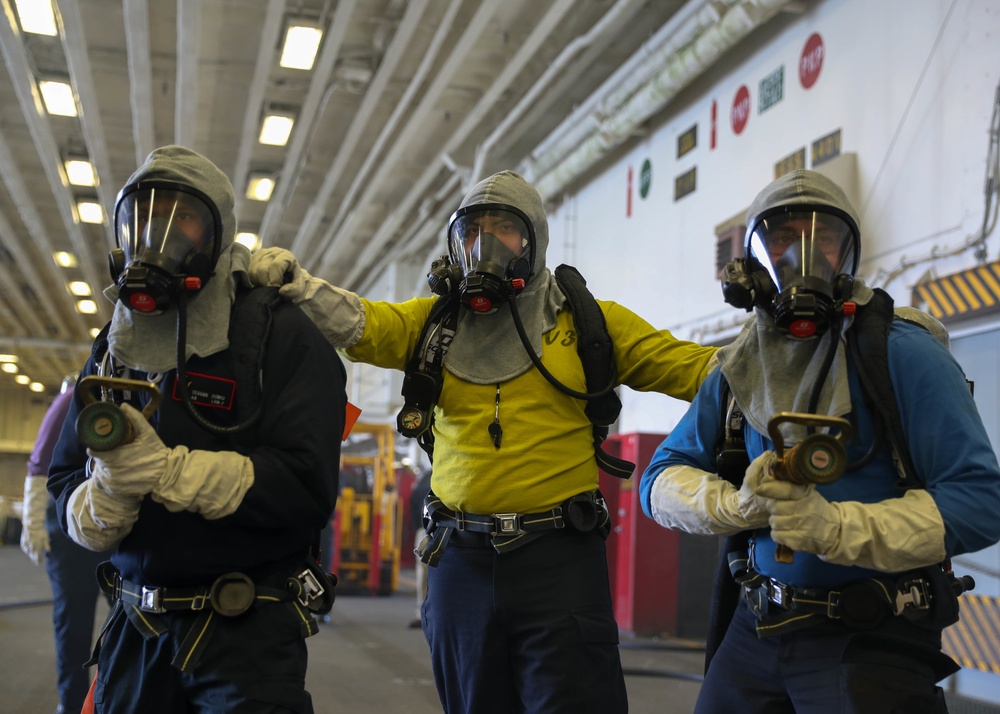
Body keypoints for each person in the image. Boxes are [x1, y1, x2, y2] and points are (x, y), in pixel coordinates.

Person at [249, 169, 718, 713]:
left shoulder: (591, 324)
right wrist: (298, 285)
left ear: (534, 243)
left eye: (504, 232)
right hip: (460, 563)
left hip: (559, 563)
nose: (485, 246)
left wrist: (775, 358)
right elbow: (362, 324)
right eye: (472, 232)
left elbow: (699, 371)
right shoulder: (432, 324)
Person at [639, 169, 1000, 713]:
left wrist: (837, 529)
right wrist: (736, 506)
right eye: (781, 239)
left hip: (869, 634)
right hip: (755, 626)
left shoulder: (904, 354)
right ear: (753, 264)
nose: (800, 257)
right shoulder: (738, 366)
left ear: (847, 255)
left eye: (822, 239)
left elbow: (981, 501)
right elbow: (658, 479)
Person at [47, 145, 348, 713]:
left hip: (246, 638)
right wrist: (102, 498)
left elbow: (306, 487)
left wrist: (168, 473)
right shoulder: (115, 348)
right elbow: (65, 474)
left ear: (217, 233)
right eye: (145, 218)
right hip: (135, 631)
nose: (161, 234)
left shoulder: (280, 335)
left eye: (182, 218)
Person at [21, 374, 111, 714]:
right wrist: (32, 522)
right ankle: (71, 706)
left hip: (114, 531)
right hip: (70, 532)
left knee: (128, 623)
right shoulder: (73, 397)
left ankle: (116, 699)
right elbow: (39, 462)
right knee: (74, 629)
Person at [408, 468, 432, 629]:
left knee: (422, 573)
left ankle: (421, 614)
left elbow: (412, 500)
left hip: (424, 530)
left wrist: (417, 527)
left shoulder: (425, 478)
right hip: (449, 530)